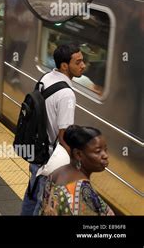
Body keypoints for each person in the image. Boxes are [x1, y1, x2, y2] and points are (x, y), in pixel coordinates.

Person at [21, 43, 86, 215]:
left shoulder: (46, 77)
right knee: (42, 203)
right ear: (65, 66)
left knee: (32, 193)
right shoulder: (67, 95)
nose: (83, 65)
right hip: (50, 158)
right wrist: (73, 165)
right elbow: (64, 135)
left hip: (37, 150)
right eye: (78, 62)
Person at [40, 125, 114, 216]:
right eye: (98, 151)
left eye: (105, 150)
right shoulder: (83, 191)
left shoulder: (56, 172)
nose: (105, 155)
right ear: (78, 154)